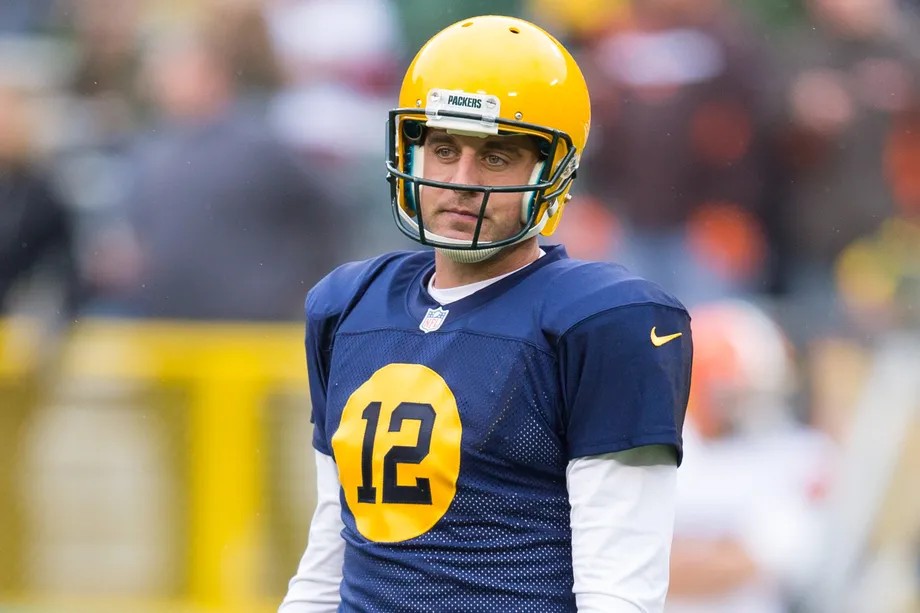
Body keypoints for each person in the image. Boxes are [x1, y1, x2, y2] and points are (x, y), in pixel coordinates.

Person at [280, 15, 692, 612]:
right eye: (444, 149)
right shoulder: (349, 304)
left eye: (496, 157)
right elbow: (330, 553)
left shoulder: (599, 321)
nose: (461, 181)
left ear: (552, 172)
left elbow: (619, 589)